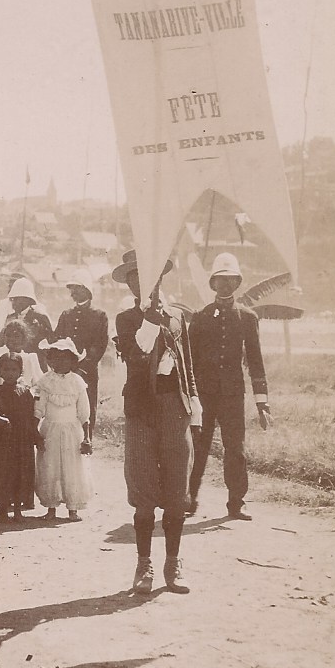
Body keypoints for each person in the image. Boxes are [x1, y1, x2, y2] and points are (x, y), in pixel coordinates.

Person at [113, 251, 201, 594]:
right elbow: (136, 355)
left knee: (177, 487)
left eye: (150, 275)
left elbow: (187, 364)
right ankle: (144, 565)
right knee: (143, 484)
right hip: (141, 408)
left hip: (174, 407)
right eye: (136, 277)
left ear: (161, 278)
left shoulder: (178, 316)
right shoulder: (125, 318)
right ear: (131, 283)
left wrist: (194, 403)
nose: (144, 282)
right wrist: (150, 318)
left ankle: (173, 564)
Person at [188, 252, 271, 521]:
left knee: (235, 448)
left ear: (237, 283)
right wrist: (191, 396)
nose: (225, 285)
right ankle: (189, 497)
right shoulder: (200, 317)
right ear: (213, 284)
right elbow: (190, 360)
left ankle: (236, 502)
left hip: (233, 395)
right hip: (204, 394)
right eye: (220, 280)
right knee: (199, 446)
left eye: (230, 280)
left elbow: (255, 361)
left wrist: (262, 402)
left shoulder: (247, 317)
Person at [34, 338, 92, 522]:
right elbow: (38, 409)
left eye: (66, 358)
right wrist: (35, 433)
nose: (61, 362)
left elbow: (84, 413)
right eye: (56, 358)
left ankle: (72, 508)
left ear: (74, 361)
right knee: (50, 467)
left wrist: (87, 438)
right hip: (50, 430)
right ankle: (51, 507)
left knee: (71, 467)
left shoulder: (77, 382)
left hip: (71, 432)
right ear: (50, 360)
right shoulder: (45, 382)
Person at [54, 271, 109, 436]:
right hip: (66, 370)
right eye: (71, 290)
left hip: (87, 371)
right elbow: (58, 339)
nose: (72, 294)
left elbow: (99, 345)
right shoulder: (66, 315)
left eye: (75, 289)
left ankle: (87, 439)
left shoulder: (99, 315)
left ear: (86, 289)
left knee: (88, 404)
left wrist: (83, 368)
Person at [0, 352, 37, 521]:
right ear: (0, 372)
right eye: (6, 369)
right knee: (3, 473)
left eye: (14, 369)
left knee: (20, 472)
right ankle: (3, 509)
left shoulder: (25, 392)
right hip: (2, 439)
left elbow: (31, 416)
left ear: (20, 371)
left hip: (21, 439)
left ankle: (18, 509)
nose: (10, 373)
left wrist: (33, 435)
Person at [0, 277, 53, 371]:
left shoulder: (40, 318)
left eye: (16, 299)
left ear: (27, 299)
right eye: (12, 299)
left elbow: (51, 343)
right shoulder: (10, 318)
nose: (13, 303)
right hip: (15, 365)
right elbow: (1, 339)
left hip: (36, 365)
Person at [0, 318, 42, 393]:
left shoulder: (30, 358)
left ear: (24, 338)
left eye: (16, 336)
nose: (12, 339)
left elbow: (38, 384)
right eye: (8, 336)